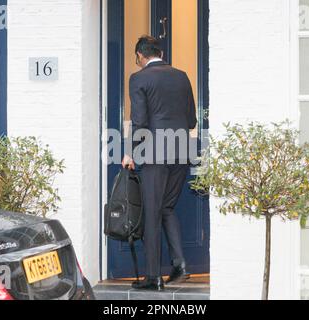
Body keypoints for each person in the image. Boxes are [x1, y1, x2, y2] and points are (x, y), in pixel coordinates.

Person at [122, 35, 197, 291]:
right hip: (182, 151)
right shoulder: (182, 76)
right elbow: (191, 120)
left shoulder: (140, 78)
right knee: (167, 208)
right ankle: (180, 265)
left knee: (152, 212)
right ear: (161, 53)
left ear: (141, 56)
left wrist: (130, 151)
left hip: (155, 154)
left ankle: (153, 277)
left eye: (137, 58)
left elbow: (140, 120)